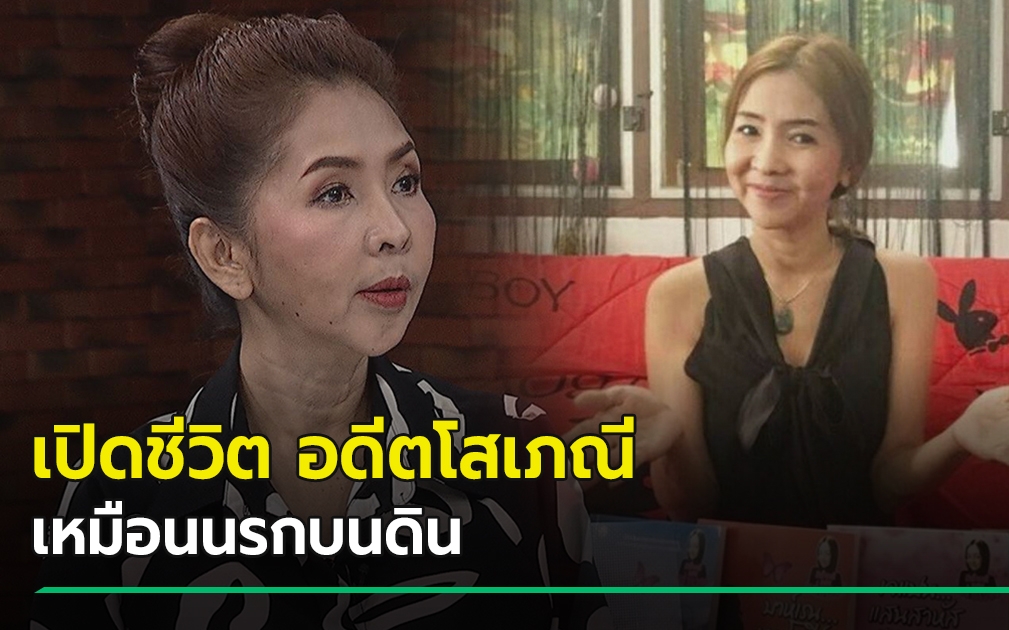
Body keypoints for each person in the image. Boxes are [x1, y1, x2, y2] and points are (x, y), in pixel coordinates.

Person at [31, 13, 608, 629]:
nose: (395, 230)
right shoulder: (116, 503)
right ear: (224, 254)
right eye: (335, 192)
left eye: (405, 181)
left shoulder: (522, 459)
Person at [573, 33, 1009, 526]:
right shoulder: (678, 296)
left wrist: (960, 438)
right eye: (749, 130)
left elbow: (890, 482)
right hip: (729, 568)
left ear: (849, 164)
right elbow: (693, 507)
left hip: (858, 568)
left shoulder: (904, 283)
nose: (766, 161)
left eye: (801, 137)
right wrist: (671, 444)